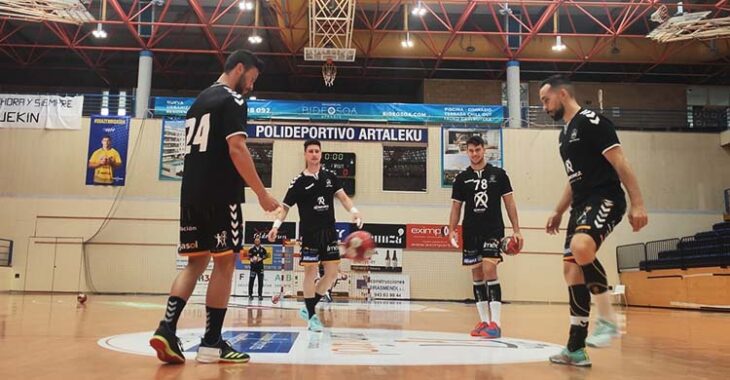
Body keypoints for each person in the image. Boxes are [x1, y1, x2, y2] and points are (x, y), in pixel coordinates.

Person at [149, 49, 280, 365]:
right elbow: (237, 148)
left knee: (195, 263)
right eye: (252, 77)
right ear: (240, 68)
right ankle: (211, 343)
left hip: (190, 194)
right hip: (221, 195)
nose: (251, 85)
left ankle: (167, 328)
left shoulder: (198, 103)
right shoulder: (232, 100)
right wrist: (262, 194)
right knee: (225, 264)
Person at [539, 75, 648, 367]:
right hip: (580, 204)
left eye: (545, 100)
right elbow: (574, 179)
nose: (544, 107)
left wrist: (638, 202)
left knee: (581, 246)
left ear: (562, 94)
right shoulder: (565, 134)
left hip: (606, 198)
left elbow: (620, 161)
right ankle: (575, 348)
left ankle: (609, 320)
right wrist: (559, 210)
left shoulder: (591, 122)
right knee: (571, 271)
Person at [268, 139, 362, 332]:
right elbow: (284, 208)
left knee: (332, 274)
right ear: (305, 155)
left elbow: (343, 197)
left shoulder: (330, 176)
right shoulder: (298, 182)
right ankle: (311, 316)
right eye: (310, 151)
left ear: (321, 154)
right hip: (309, 234)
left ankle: (308, 306)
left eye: (317, 151)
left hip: (329, 232)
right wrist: (276, 226)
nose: (314, 154)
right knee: (310, 273)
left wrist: (354, 210)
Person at [448, 135, 523, 339]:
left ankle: (496, 323)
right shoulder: (461, 179)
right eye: (470, 150)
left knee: (490, 268)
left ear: (484, 150)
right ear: (466, 152)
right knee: (477, 275)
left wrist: (516, 229)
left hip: (493, 230)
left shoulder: (499, 175)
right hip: (471, 231)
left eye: (477, 150)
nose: (474, 154)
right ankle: (483, 320)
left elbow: (510, 203)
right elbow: (456, 207)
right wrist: (452, 229)